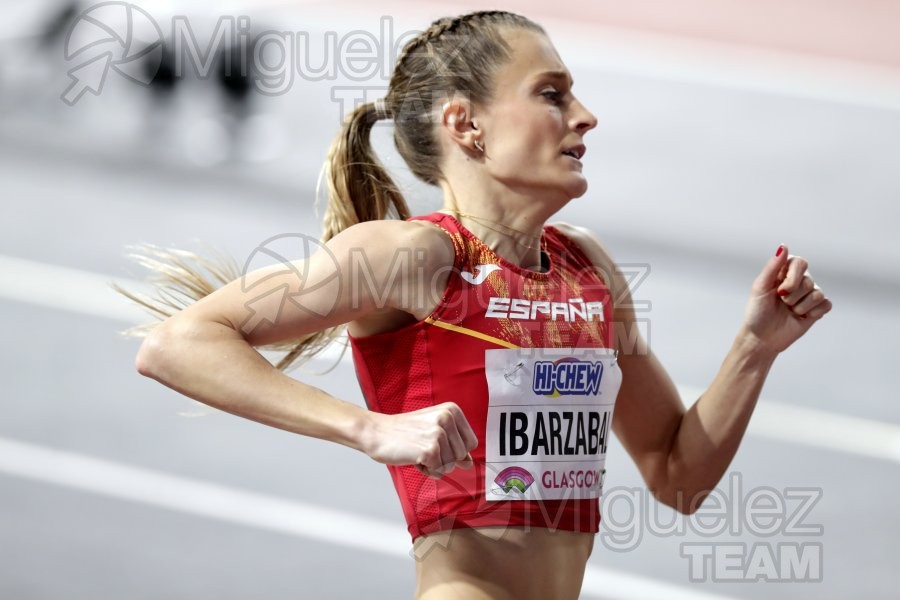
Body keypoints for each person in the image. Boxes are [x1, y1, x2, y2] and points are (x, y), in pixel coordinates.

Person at [121, 10, 833, 600]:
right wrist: (368, 428)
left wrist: (754, 349)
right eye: (552, 94)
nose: (585, 117)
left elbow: (677, 475)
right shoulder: (418, 257)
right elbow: (177, 343)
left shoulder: (587, 269)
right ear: (466, 125)